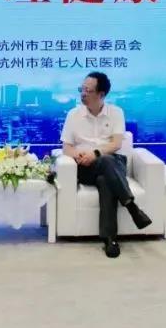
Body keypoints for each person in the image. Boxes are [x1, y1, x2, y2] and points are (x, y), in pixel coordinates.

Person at [61, 71, 152, 258]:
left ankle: (110, 240)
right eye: (81, 89)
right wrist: (80, 155)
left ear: (101, 94)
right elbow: (66, 148)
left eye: (88, 90)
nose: (83, 94)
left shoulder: (116, 113)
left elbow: (116, 144)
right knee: (105, 165)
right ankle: (132, 207)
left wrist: (95, 154)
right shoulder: (73, 115)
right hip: (85, 167)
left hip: (113, 163)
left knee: (105, 176)